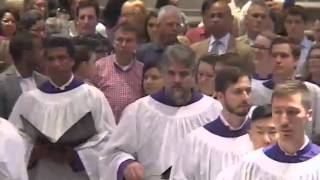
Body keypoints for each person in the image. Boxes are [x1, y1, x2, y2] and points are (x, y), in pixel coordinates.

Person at [99, 44, 223, 180]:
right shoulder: (138, 111)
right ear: (162, 73)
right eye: (171, 73)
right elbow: (113, 153)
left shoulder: (213, 110)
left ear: (194, 74)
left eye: (183, 74)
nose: (177, 80)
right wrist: (126, 164)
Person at [9, 36, 116, 180]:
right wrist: (33, 151)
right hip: (42, 171)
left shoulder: (93, 96)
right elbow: (13, 138)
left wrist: (77, 156)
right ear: (45, 62)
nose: (56, 63)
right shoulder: (29, 100)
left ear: (72, 61)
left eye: (61, 58)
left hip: (78, 173)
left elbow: (108, 138)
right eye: (51, 59)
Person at [219, 80, 320, 179]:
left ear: (309, 115)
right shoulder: (252, 164)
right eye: (277, 112)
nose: (284, 121)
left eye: (292, 112)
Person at [169, 66, 254, 180]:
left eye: (248, 91)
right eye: (237, 92)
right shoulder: (198, 140)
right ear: (220, 96)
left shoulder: (262, 137)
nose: (245, 97)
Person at [250, 36, 320, 137]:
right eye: (274, 56)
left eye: (284, 56)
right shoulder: (255, 92)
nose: (278, 60)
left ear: (296, 60)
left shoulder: (313, 92)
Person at [94, 24, 143, 123]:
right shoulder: (99, 66)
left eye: (128, 41)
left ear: (136, 45)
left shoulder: (142, 69)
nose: (123, 44)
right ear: (113, 42)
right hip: (106, 126)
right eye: (120, 40)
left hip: (133, 127)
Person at [191, 0, 253, 74]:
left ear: (231, 19)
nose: (215, 19)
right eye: (212, 16)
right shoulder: (195, 50)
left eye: (220, 16)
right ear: (205, 20)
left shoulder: (245, 52)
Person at [0, 31, 47, 119]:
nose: (44, 53)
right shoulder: (2, 84)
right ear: (26, 54)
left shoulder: (45, 81)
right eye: (40, 49)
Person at [284, 5, 313, 77]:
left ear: (306, 25)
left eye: (297, 22)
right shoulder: (277, 48)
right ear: (284, 24)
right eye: (289, 22)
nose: (293, 26)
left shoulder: (313, 49)